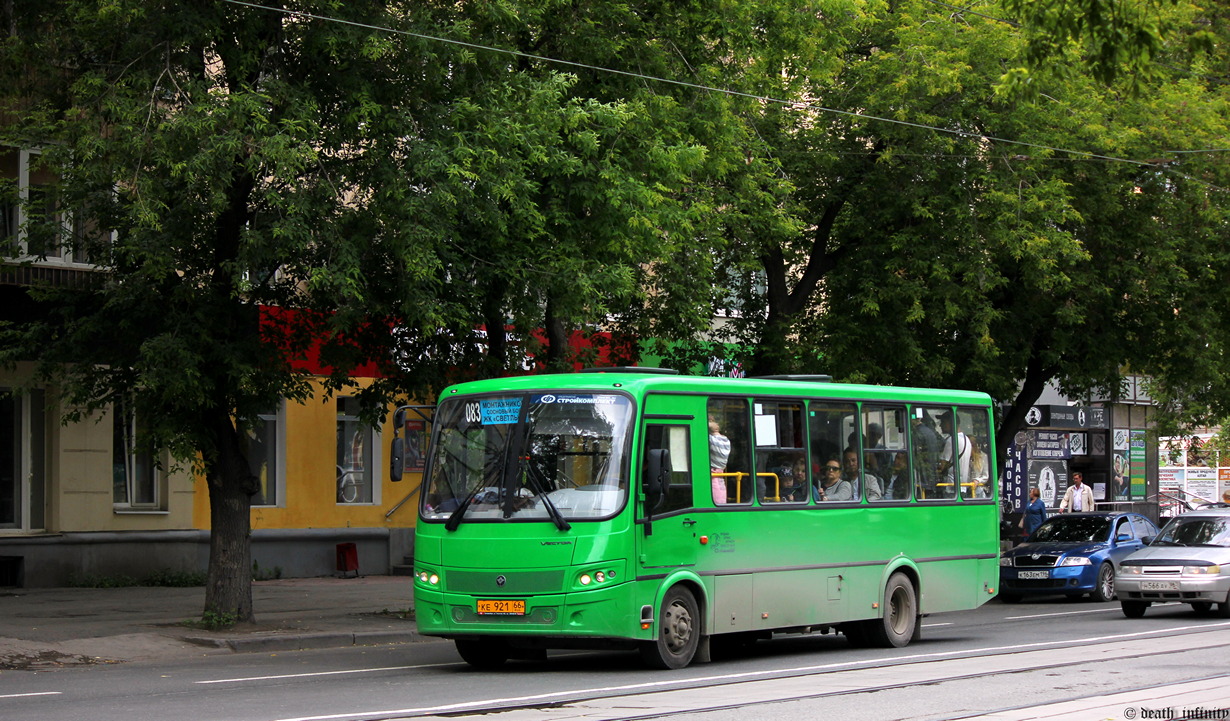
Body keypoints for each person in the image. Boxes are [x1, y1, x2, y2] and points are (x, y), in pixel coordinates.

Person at [937, 412, 971, 494]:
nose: (940, 425)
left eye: (943, 422)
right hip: (962, 487)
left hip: (951, 488)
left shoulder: (951, 440)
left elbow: (942, 465)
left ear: (951, 423)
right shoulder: (966, 439)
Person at [709, 418, 731, 505]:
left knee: (716, 502)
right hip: (720, 476)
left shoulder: (712, 440)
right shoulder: (726, 440)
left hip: (713, 476)